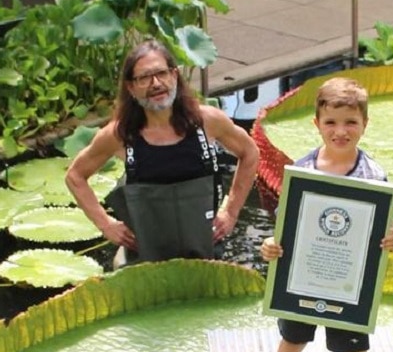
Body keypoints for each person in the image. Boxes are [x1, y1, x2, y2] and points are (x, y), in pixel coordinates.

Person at [255, 77, 393, 352]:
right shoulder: (302, 172)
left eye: (350, 122)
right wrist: (271, 246)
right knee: (291, 341)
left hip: (347, 283)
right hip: (303, 278)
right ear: (317, 124)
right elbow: (286, 230)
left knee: (355, 351)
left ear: (364, 125)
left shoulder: (374, 177)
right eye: (331, 122)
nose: (341, 131)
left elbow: (385, 232)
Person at [65, 40, 259, 262]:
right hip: (144, 258)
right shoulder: (120, 134)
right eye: (144, 78)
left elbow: (250, 153)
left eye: (161, 73)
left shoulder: (207, 121)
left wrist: (231, 212)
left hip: (205, 250)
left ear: (174, 75)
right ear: (131, 87)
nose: (156, 84)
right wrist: (106, 224)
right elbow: (75, 176)